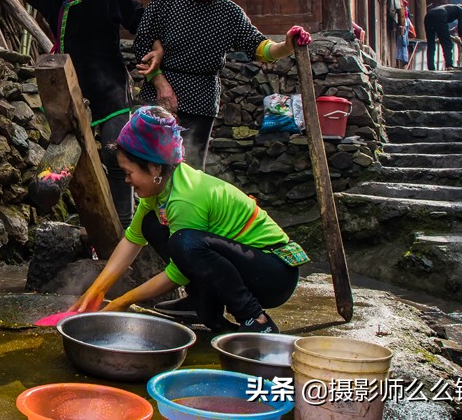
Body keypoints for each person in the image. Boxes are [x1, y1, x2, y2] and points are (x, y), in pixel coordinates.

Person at [70, 107, 308, 333]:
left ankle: (256, 318)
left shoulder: (185, 199)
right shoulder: (160, 189)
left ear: (154, 169)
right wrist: (96, 290)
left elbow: (179, 270)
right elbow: (132, 240)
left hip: (273, 274)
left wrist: (123, 301)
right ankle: (200, 303)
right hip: (245, 264)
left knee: (185, 243)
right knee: (151, 224)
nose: (126, 181)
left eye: (129, 173)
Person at [0, 0, 145, 227]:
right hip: (69, 95)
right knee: (67, 170)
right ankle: (94, 232)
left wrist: (156, 59)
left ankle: (125, 232)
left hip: (111, 90)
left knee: (118, 158)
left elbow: (142, 24)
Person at [133, 0, 312, 171]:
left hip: (201, 99)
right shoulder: (166, 0)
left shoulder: (230, 14)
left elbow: (259, 48)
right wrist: (159, 83)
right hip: (158, 95)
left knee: (189, 172)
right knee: (149, 168)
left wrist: (287, 45)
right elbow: (142, 44)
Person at [423, 3, 462, 70]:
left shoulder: (450, 7)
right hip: (440, 15)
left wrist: (439, 36)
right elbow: (460, 27)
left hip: (428, 15)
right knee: (447, 43)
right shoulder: (461, 10)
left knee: (431, 43)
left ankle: (431, 67)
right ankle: (449, 65)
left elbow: (440, 26)